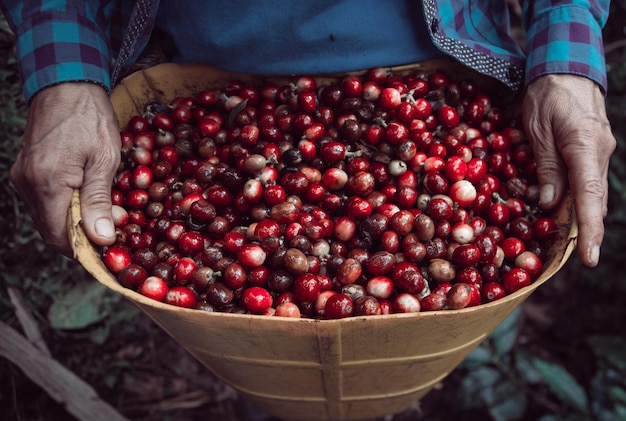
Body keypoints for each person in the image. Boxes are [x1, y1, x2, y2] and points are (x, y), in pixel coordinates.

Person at [0, 0, 616, 268]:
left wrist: (565, 54)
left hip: (448, 64)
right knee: (248, 349)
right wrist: (65, 75)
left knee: (444, 324)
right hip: (208, 69)